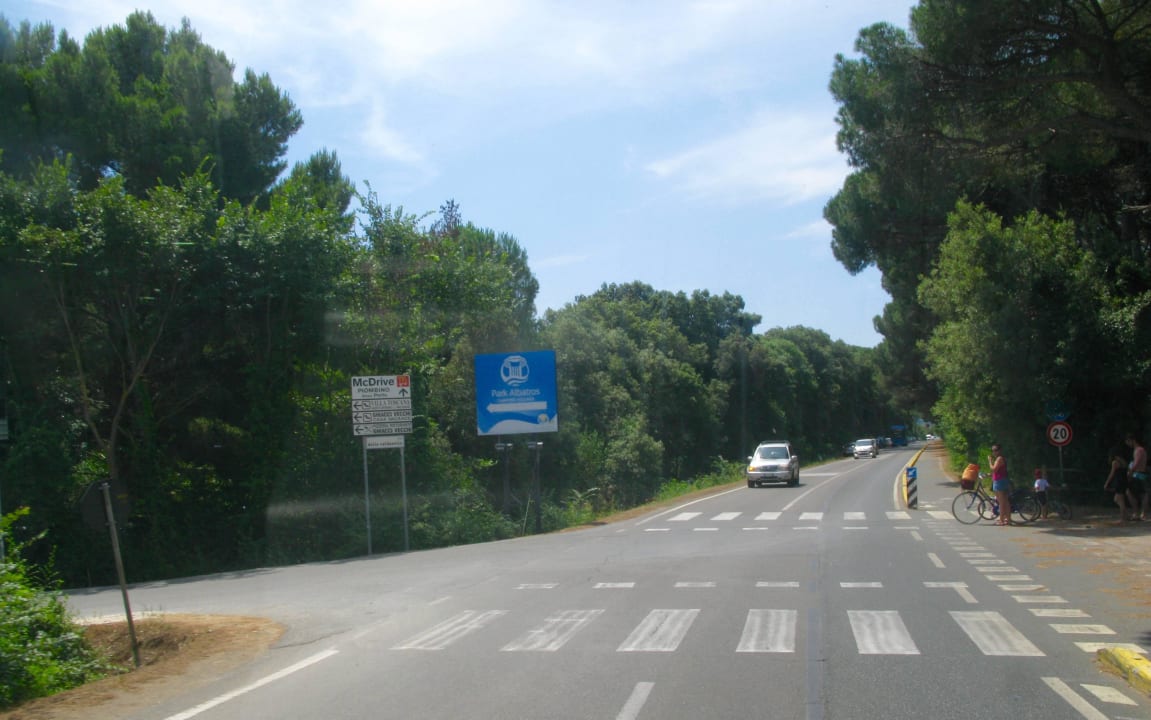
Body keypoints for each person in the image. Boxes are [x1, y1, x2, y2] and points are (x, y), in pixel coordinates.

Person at [1125, 433, 1148, 521]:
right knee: (1142, 494)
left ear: (1132, 440)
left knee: (1131, 493)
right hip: (1141, 474)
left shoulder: (1138, 450)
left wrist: (1130, 472)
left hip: (1137, 474)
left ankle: (1138, 513)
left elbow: (1137, 462)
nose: (1128, 444)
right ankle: (1141, 513)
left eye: (1128, 441)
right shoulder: (1140, 450)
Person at [988, 443, 1011, 525]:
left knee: (1001, 502)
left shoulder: (999, 459)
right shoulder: (999, 459)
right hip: (1000, 480)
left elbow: (994, 469)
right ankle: (1007, 519)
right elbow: (997, 471)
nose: (994, 452)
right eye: (993, 450)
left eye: (996, 450)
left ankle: (1002, 520)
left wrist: (990, 461)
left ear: (999, 450)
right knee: (1004, 501)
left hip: (1000, 481)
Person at [1104, 450, 1130, 523]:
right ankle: (1126, 515)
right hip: (1124, 481)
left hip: (1119, 482)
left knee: (1121, 501)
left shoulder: (1115, 462)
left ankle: (1123, 518)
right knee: (1116, 499)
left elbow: (1112, 474)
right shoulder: (1124, 462)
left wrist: (1107, 483)